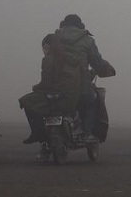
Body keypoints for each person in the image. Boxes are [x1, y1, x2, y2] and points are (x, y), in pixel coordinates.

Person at [18, 34, 81, 158]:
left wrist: (35, 87)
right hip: (73, 100)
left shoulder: (49, 58)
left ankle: (38, 133)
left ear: (46, 46)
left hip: (57, 99)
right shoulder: (72, 59)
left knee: (25, 101)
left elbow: (46, 84)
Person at [56, 14, 111, 143]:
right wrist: (108, 68)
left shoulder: (54, 39)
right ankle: (87, 133)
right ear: (80, 26)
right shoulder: (87, 40)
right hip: (80, 84)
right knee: (92, 99)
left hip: (56, 85)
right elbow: (97, 62)